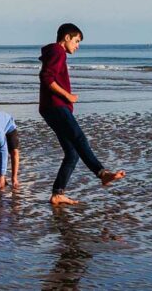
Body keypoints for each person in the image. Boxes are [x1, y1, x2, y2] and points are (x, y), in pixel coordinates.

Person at [39, 23, 124, 206]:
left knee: (72, 153)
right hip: (55, 106)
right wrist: (67, 95)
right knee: (79, 138)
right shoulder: (57, 51)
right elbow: (46, 78)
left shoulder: (55, 52)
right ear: (67, 38)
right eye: (77, 41)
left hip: (52, 108)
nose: (77, 45)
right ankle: (102, 173)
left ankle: (57, 193)